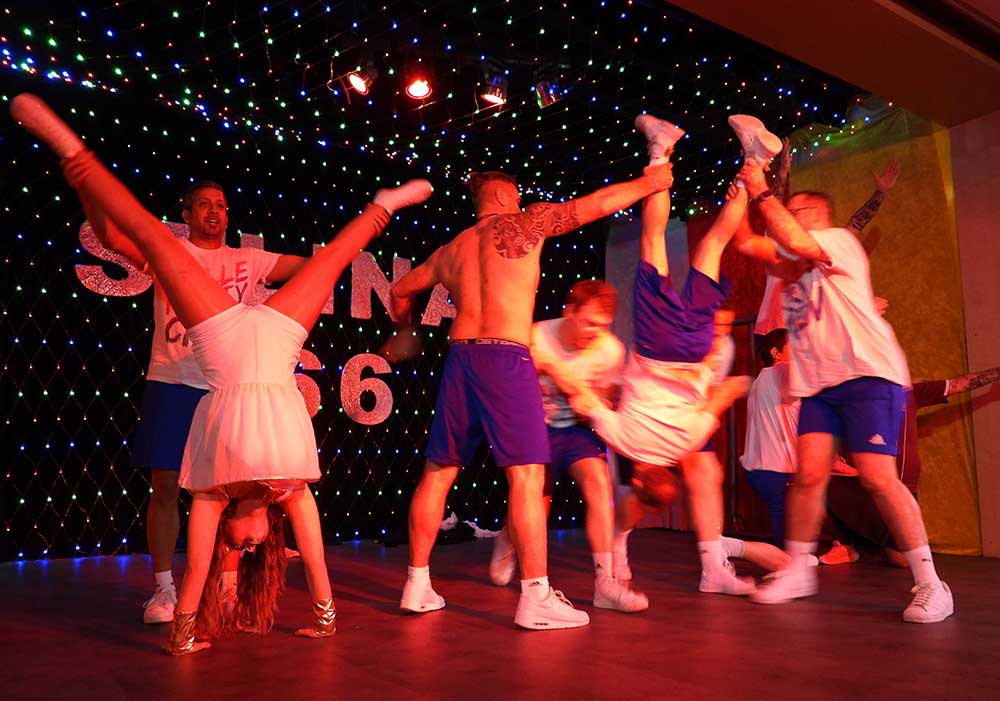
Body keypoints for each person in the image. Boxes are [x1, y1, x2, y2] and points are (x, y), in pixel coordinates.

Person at [11, 92, 434, 652]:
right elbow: (313, 555)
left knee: (156, 239)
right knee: (334, 260)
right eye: (253, 548)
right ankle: (382, 207)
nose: (246, 543)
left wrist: (184, 633)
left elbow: (199, 565)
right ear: (270, 538)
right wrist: (325, 617)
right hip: (276, 343)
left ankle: (75, 154)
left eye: (236, 548)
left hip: (222, 346)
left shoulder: (211, 492)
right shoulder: (290, 489)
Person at [385, 158, 675, 630]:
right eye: (517, 194)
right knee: (527, 477)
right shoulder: (527, 222)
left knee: (438, 473)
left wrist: (405, 330)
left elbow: (401, 289)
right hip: (505, 355)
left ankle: (417, 585)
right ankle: (535, 596)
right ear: (504, 196)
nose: (521, 200)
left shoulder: (452, 248)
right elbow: (597, 204)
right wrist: (650, 182)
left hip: (461, 359)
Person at [734, 154, 954, 623]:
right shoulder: (789, 264)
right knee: (808, 477)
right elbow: (746, 242)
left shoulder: (838, 241)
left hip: (867, 374)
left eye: (794, 210)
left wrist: (761, 189)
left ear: (816, 215)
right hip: (819, 384)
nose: (785, 217)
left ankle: (931, 583)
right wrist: (740, 187)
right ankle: (798, 571)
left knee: (877, 477)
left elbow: (792, 236)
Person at [101, 177, 309, 625]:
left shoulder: (247, 259)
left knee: (233, 489)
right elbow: (113, 239)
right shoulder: (171, 254)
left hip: (226, 387)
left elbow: (307, 268)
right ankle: (164, 590)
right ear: (187, 214)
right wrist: (89, 188)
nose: (215, 211)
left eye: (221, 205)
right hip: (174, 380)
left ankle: (226, 586)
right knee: (165, 485)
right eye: (204, 204)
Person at [575, 115, 756, 596]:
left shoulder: (685, 444)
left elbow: (721, 397)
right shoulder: (626, 441)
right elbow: (585, 402)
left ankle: (753, 162)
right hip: (657, 347)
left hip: (695, 350)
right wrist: (589, 391)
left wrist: (737, 385)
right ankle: (659, 150)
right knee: (653, 241)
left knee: (713, 244)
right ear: (639, 478)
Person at [488, 280, 648, 613]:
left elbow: (610, 398)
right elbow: (506, 385)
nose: (594, 332)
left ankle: (605, 583)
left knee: (598, 483)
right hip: (536, 428)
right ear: (570, 312)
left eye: (602, 325)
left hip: (576, 430)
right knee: (537, 500)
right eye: (589, 322)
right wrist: (549, 371)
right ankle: (508, 536)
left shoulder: (610, 351)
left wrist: (590, 402)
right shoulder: (537, 336)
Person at [822, 367, 1000, 565]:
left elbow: (960, 384)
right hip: (865, 481)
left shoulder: (911, 392)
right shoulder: (855, 396)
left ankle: (869, 544)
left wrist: (997, 374)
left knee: (901, 560)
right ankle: (845, 545)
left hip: (902, 485)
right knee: (816, 481)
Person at [741, 328, 798, 546]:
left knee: (784, 517)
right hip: (777, 469)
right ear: (776, 353)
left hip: (759, 469)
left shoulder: (759, 381)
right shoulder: (783, 370)